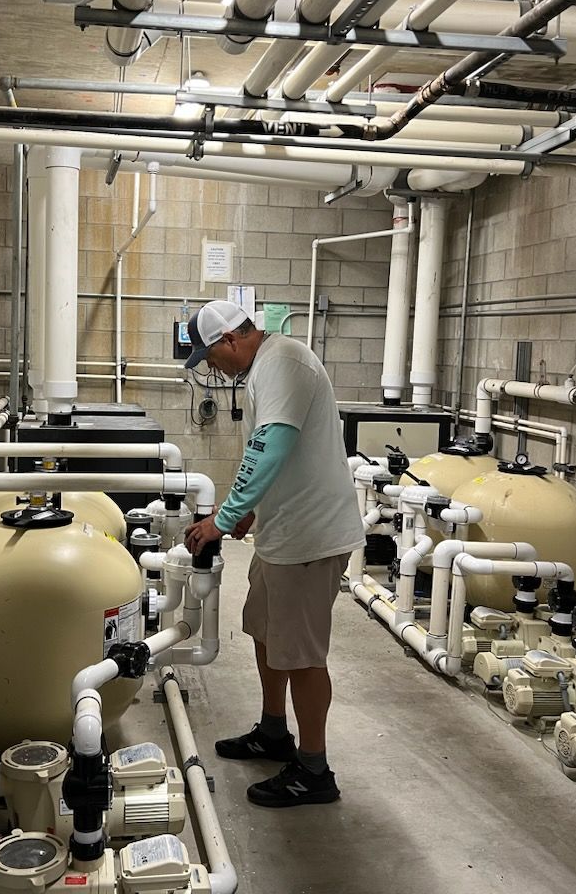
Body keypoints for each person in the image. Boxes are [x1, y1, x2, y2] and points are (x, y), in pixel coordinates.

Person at [180, 299, 365, 808]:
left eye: (210, 357)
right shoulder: (267, 366)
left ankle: (313, 769)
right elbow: (274, 457)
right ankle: (273, 731)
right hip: (283, 534)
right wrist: (248, 513)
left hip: (310, 539)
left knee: (302, 657)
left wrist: (222, 518)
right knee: (265, 632)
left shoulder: (282, 361)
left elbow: (271, 445)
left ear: (231, 340)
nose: (211, 368)